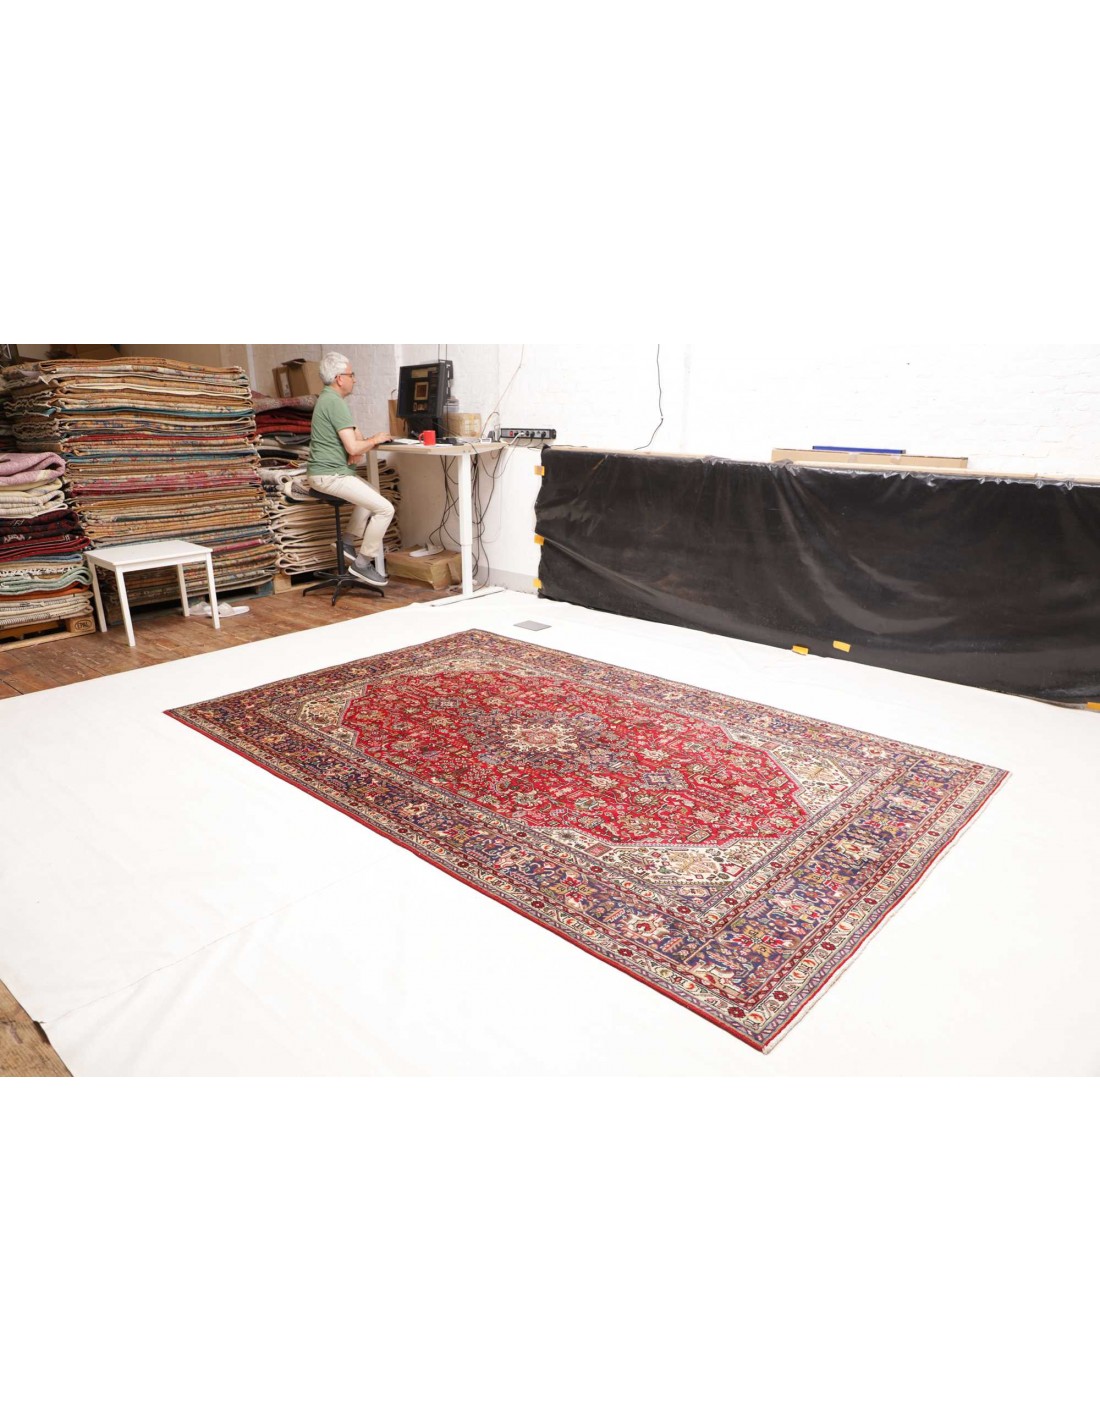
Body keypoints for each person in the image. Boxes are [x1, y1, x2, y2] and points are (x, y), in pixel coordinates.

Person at [306, 352, 394, 587]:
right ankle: (363, 564)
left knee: (372, 493)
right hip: (330, 475)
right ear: (339, 378)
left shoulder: (329, 399)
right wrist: (374, 440)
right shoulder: (334, 402)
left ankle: (346, 542)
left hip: (326, 473)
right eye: (351, 374)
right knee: (385, 509)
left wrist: (360, 442)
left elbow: (355, 436)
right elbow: (355, 446)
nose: (354, 379)